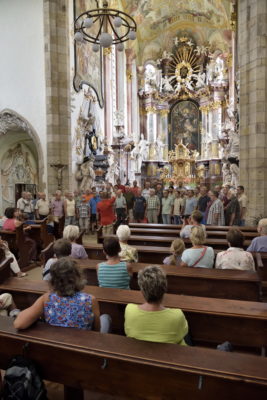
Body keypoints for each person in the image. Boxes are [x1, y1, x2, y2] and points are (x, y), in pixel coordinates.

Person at [14, 258, 111, 333]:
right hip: (83, 348)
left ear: (53, 280)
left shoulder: (47, 298)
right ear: (77, 277)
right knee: (105, 317)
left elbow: (18, 324)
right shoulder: (90, 300)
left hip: (57, 346)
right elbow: (96, 330)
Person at [124, 266, 188, 344]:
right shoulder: (177, 315)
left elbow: (127, 332)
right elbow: (183, 333)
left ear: (142, 290)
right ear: (164, 288)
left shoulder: (129, 310)